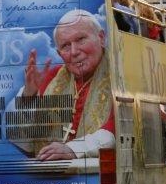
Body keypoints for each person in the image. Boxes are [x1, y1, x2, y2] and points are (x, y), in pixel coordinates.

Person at [19, 9, 115, 161]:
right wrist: (28, 96)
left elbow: (116, 130)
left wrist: (72, 149)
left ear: (101, 38)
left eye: (81, 39)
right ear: (59, 53)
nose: (74, 52)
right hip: (51, 179)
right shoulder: (51, 78)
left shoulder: (121, 75)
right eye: (65, 46)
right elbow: (24, 140)